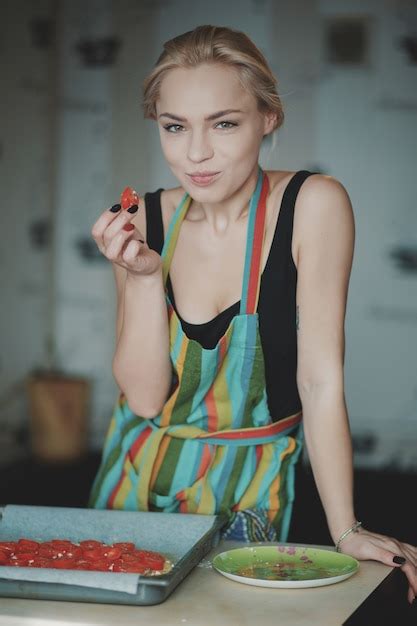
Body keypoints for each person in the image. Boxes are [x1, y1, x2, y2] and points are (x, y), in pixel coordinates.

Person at [89, 25, 416, 602]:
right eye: (174, 127)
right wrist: (144, 279)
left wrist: (347, 529)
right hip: (137, 478)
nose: (195, 153)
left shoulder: (314, 205)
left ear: (268, 118)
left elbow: (318, 382)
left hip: (252, 484)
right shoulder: (140, 219)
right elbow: (143, 400)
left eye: (224, 123)